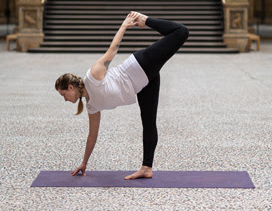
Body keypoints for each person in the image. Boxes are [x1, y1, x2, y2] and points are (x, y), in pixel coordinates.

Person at [55, 11, 188, 180]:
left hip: (139, 66)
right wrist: (84, 163)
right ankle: (147, 168)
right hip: (142, 85)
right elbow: (92, 136)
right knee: (148, 122)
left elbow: (112, 50)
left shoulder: (93, 76)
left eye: (63, 94)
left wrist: (124, 26)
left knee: (181, 32)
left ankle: (145, 19)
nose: (65, 99)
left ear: (71, 87)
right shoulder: (91, 105)